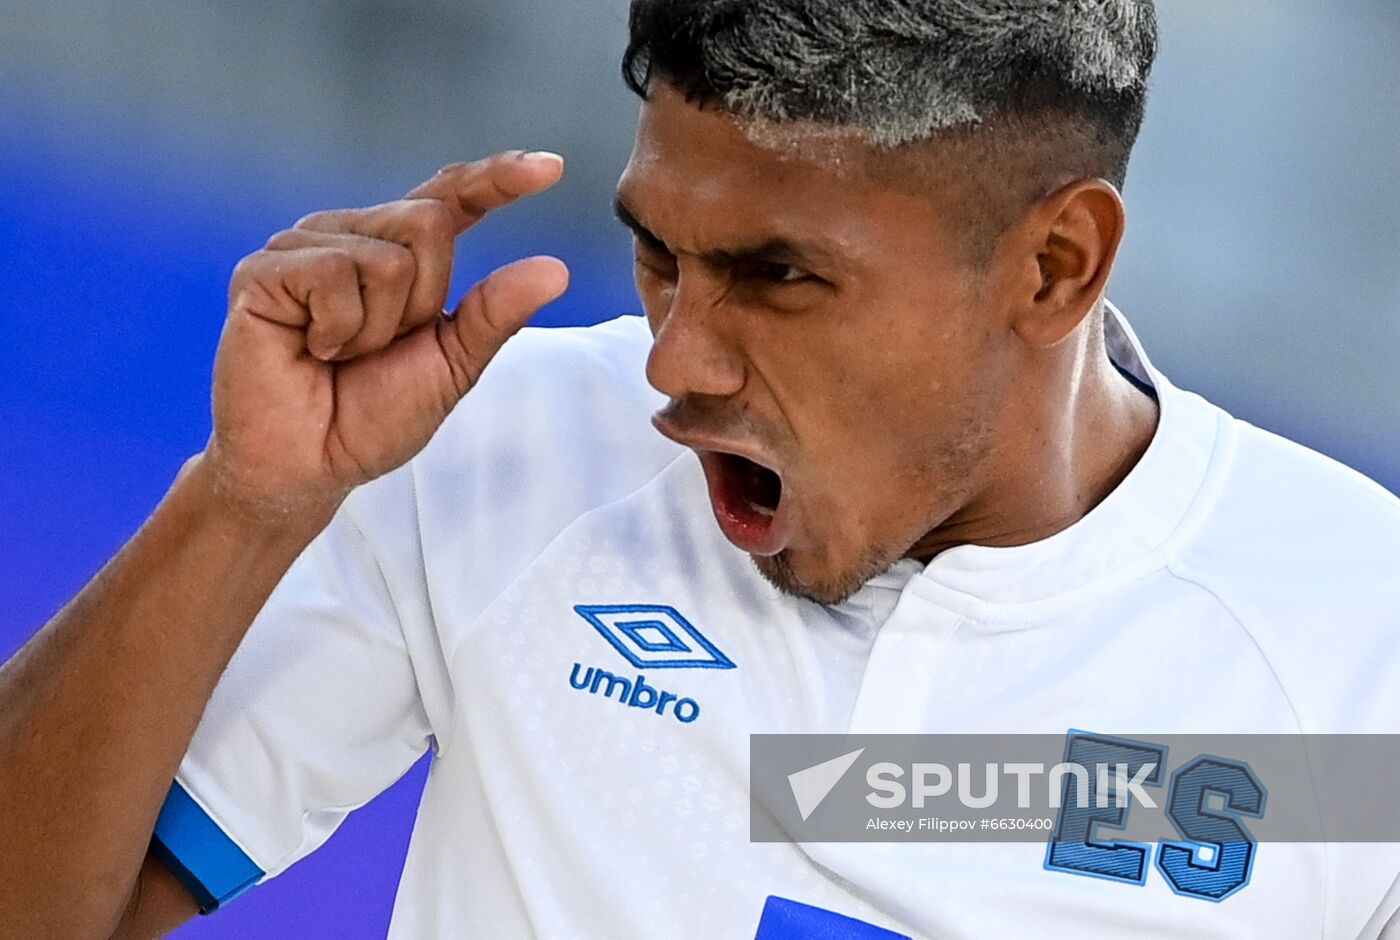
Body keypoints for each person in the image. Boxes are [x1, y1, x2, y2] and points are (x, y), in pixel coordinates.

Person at [3, 0, 1399, 937]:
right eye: (660, 253)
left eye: (776, 277)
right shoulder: (514, 445)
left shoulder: (1356, 656)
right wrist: (245, 504)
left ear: (1055, 264)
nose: (678, 357)